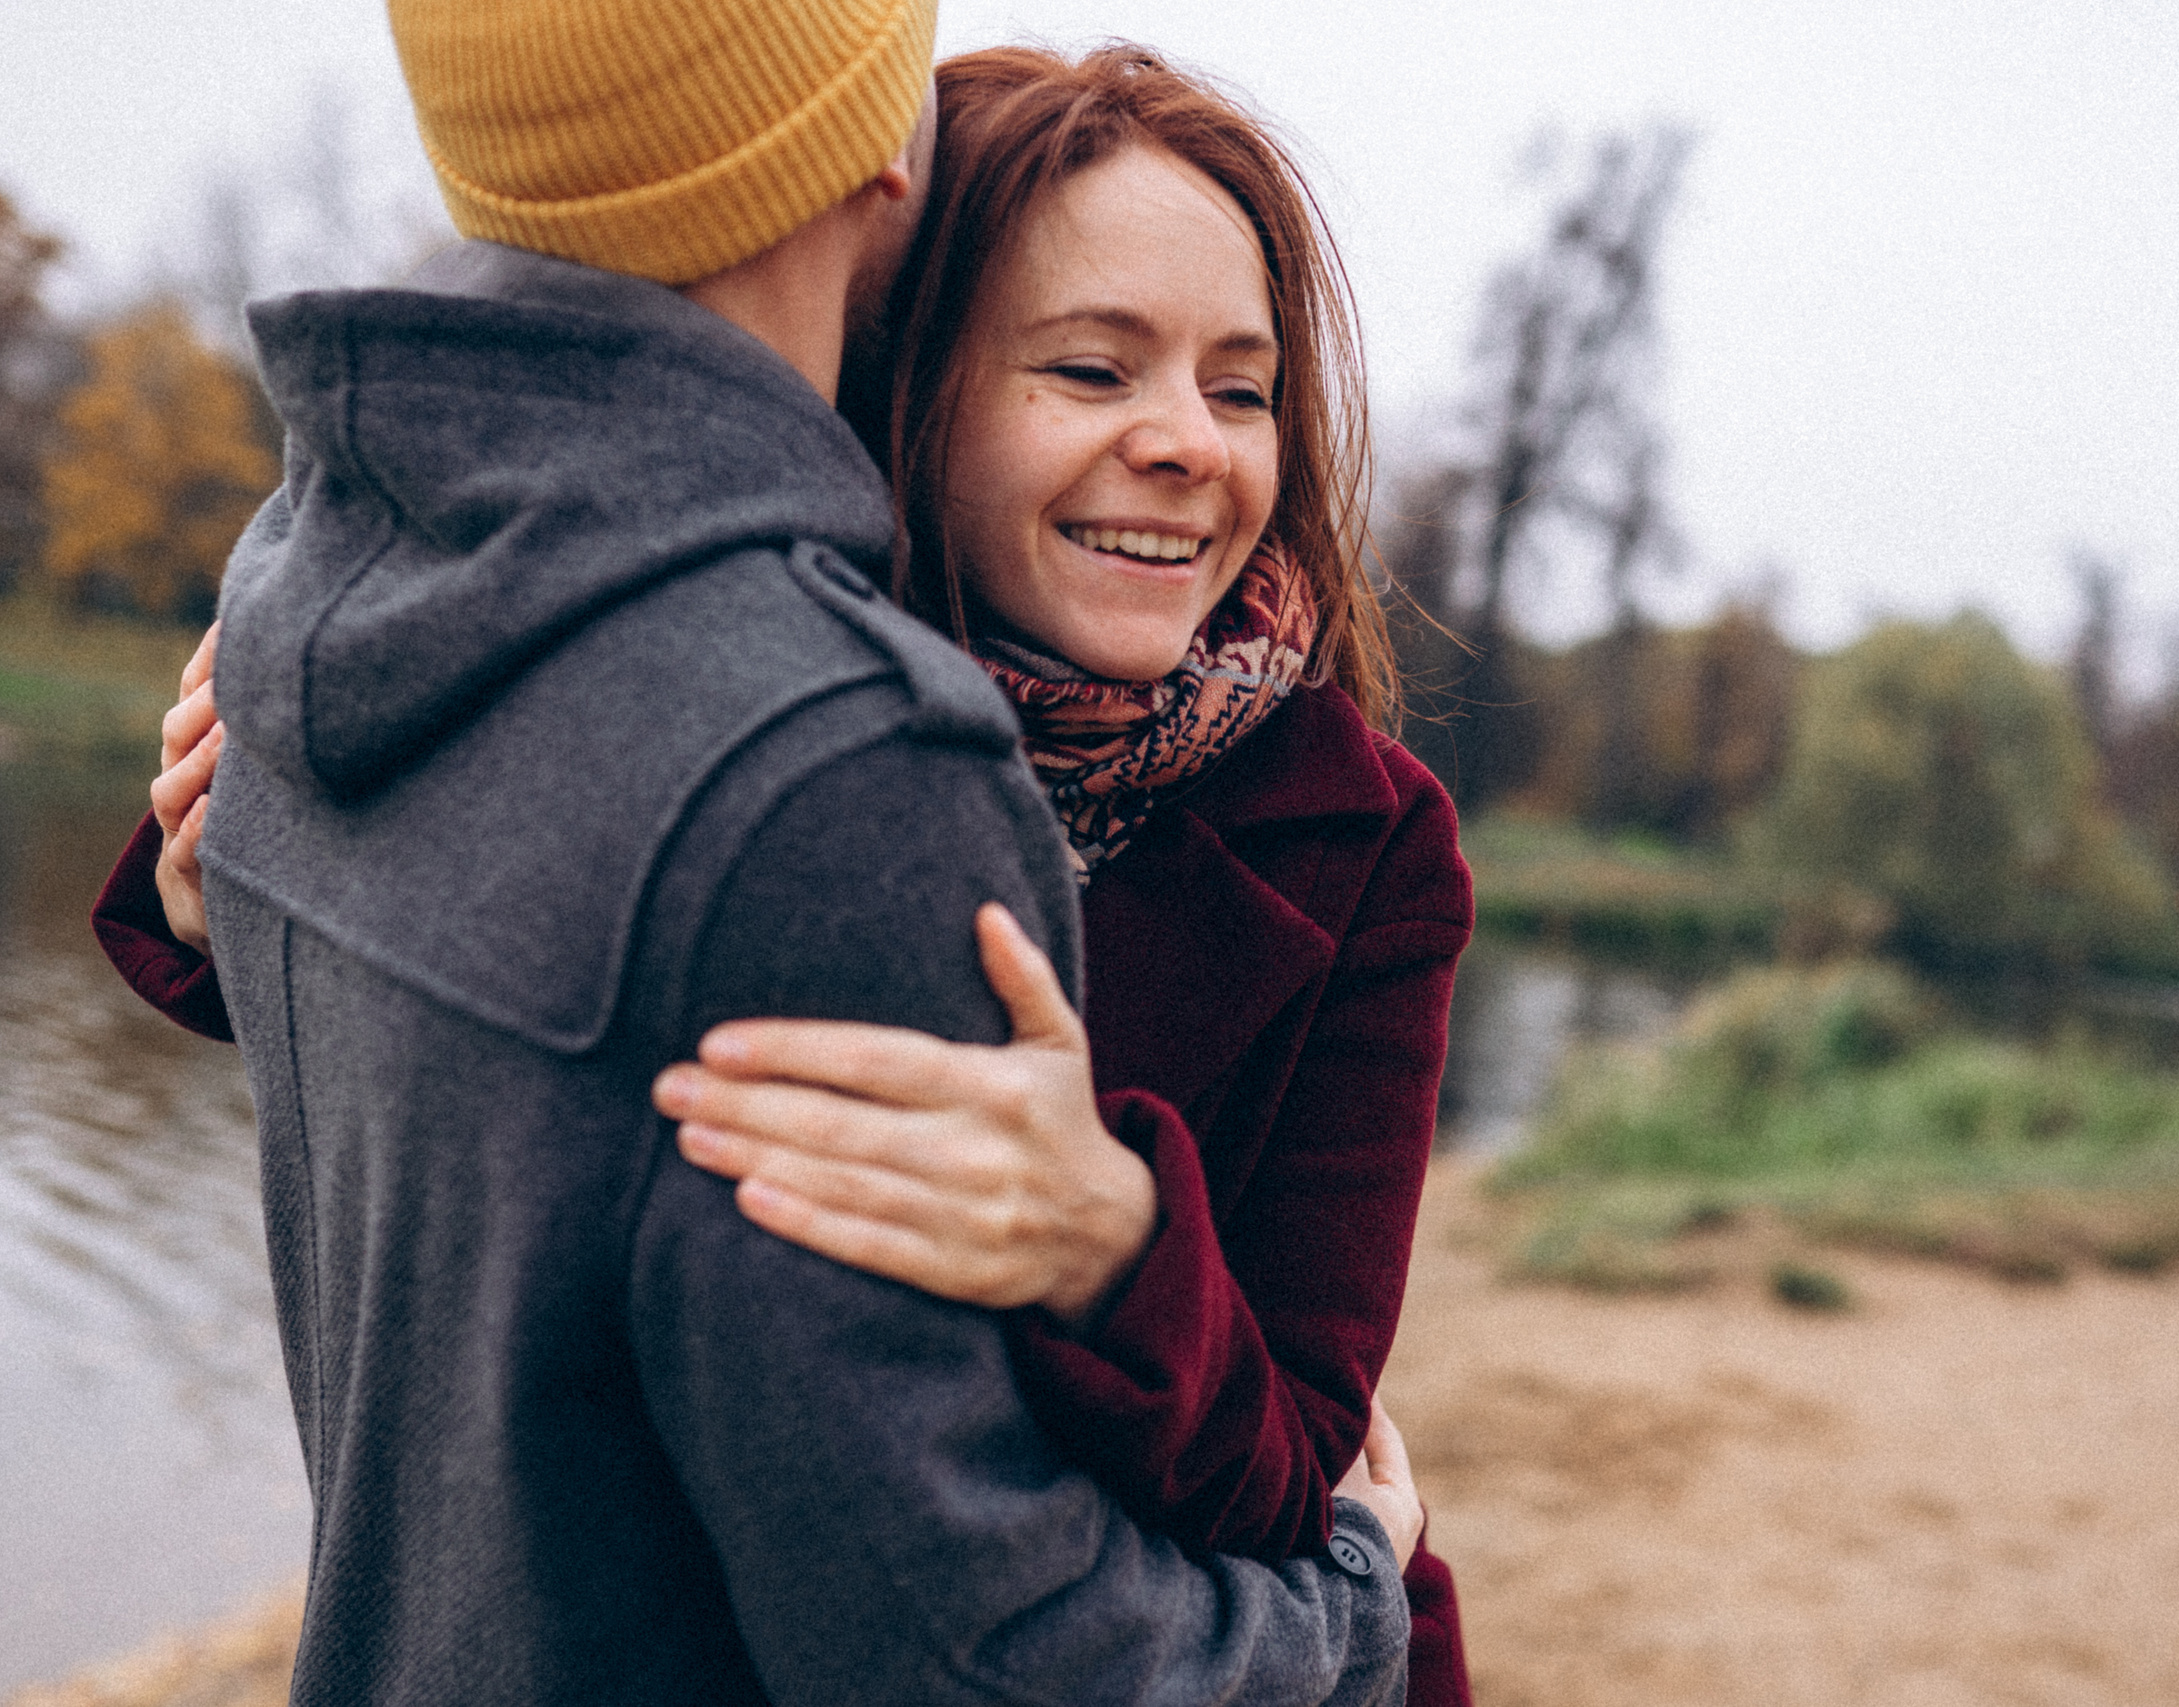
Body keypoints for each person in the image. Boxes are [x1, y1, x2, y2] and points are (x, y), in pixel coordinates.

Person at [96, 0, 1420, 1700]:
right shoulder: (816, 751)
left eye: (1245, 387)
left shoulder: (348, 556)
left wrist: (1117, 1239)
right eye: (1090, 366)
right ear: (911, 344)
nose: (1185, 438)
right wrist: (250, 892)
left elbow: (1300, 1441)